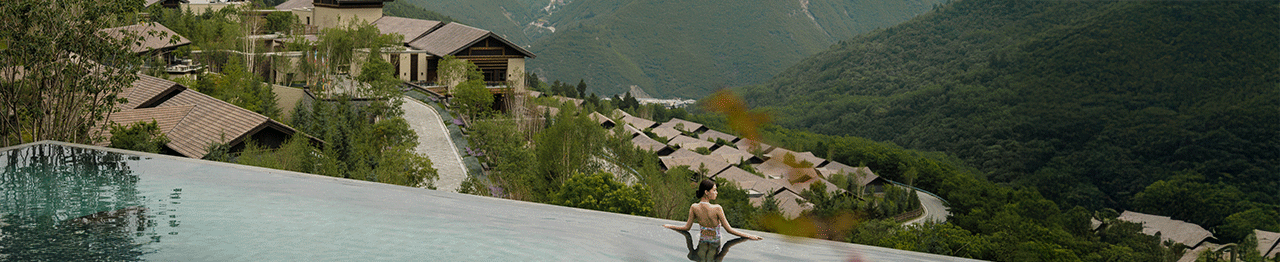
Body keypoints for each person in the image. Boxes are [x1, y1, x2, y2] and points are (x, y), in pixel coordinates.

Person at [663, 179, 762, 241]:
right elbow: (729, 230)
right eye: (714, 190)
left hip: (701, 240)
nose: (716, 193)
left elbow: (686, 227)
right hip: (715, 243)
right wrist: (749, 236)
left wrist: (670, 226)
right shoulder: (717, 208)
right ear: (706, 192)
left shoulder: (694, 207)